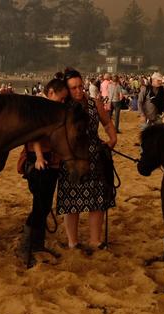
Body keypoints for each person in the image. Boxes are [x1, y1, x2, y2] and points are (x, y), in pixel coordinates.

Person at [57, 68, 117, 252]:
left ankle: (95, 240)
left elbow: (107, 123)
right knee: (71, 202)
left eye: (80, 86)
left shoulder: (94, 103)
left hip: (94, 155)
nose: (78, 91)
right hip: (70, 159)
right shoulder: (62, 107)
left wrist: (113, 139)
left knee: (97, 199)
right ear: (67, 89)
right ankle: (73, 242)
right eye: (73, 88)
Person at [19, 78, 68, 267]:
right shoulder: (39, 108)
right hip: (37, 159)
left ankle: (37, 244)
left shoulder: (52, 109)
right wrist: (39, 157)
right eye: (61, 99)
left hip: (52, 159)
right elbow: (34, 135)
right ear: (51, 93)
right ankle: (26, 248)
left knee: (45, 204)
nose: (62, 103)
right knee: (39, 205)